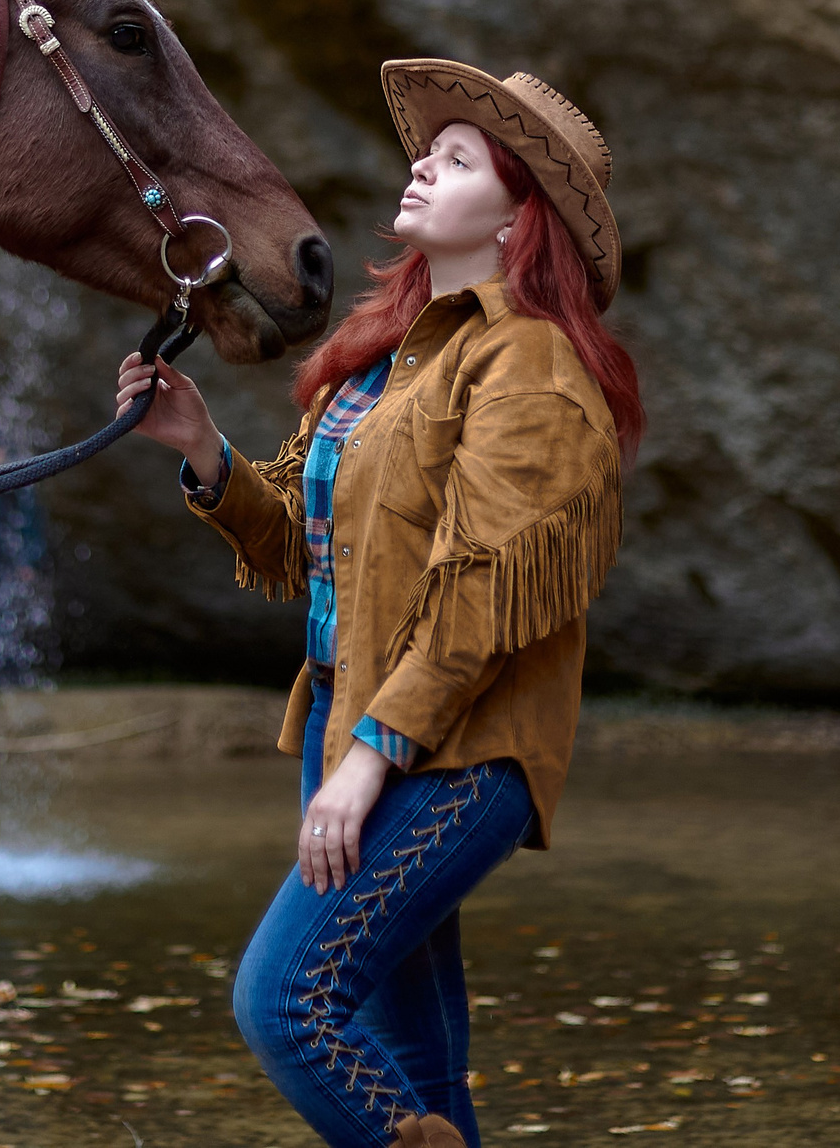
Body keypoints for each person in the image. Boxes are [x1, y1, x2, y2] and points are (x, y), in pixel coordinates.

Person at [116, 60, 644, 1148]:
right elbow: (318, 557)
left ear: (516, 220)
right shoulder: (382, 362)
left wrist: (369, 758)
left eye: (457, 160)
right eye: (429, 149)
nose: (420, 163)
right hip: (349, 722)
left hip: (450, 752)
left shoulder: (530, 365)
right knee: (416, 1068)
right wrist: (203, 450)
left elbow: (482, 593)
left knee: (287, 1005)